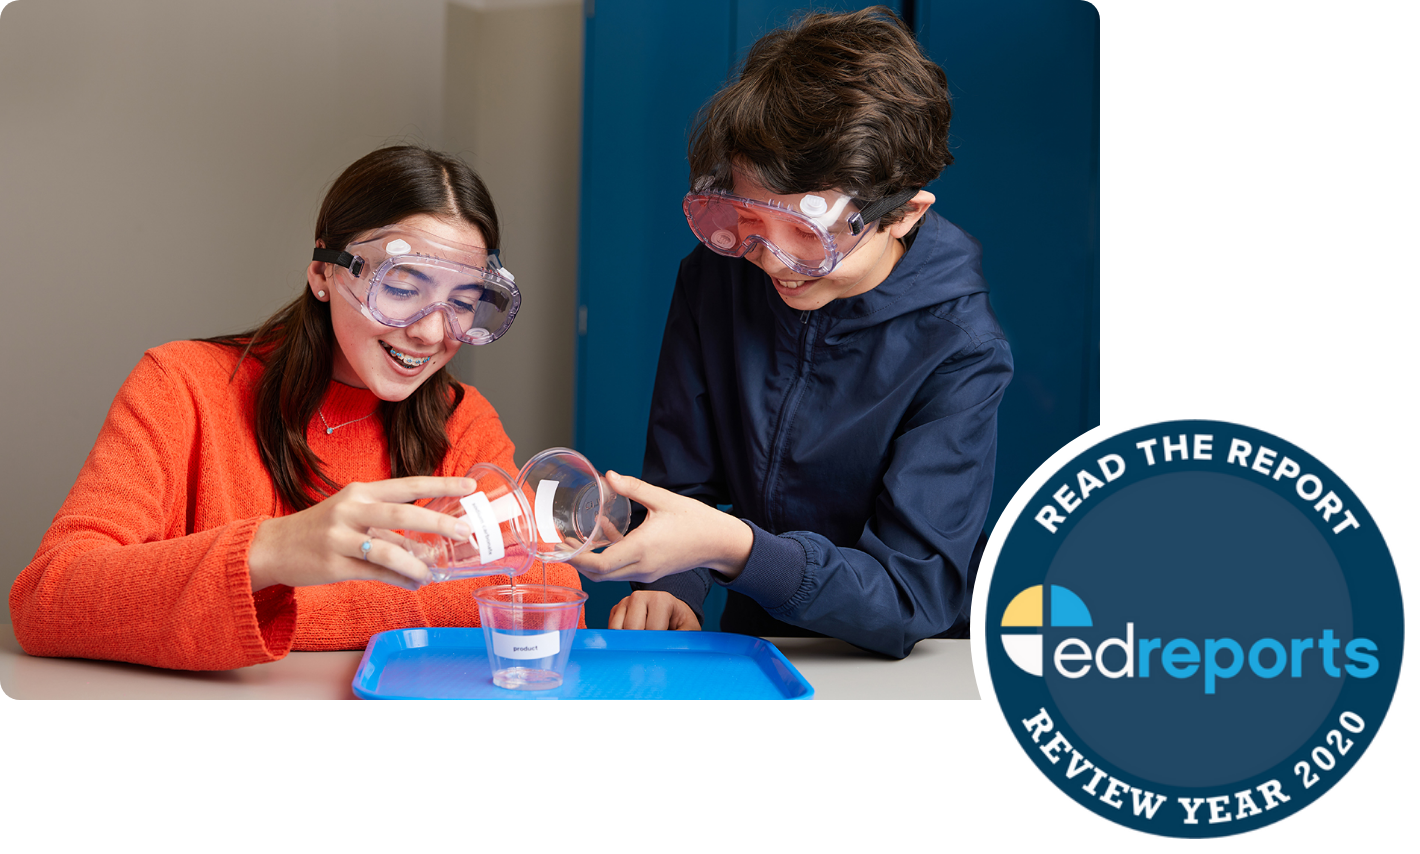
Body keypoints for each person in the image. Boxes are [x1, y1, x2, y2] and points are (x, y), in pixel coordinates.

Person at [10, 145, 580, 670]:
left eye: (463, 303)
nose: (432, 332)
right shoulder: (181, 386)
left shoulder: (462, 419)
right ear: (324, 273)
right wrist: (272, 552)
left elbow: (547, 592)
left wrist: (268, 603)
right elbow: (48, 596)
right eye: (403, 289)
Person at [569, 7, 1012, 659]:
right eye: (748, 219)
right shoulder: (716, 278)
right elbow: (681, 481)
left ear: (903, 214)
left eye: (807, 234)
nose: (771, 260)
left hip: (902, 660)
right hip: (759, 643)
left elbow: (907, 597)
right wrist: (675, 581)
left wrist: (728, 548)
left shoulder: (959, 348)